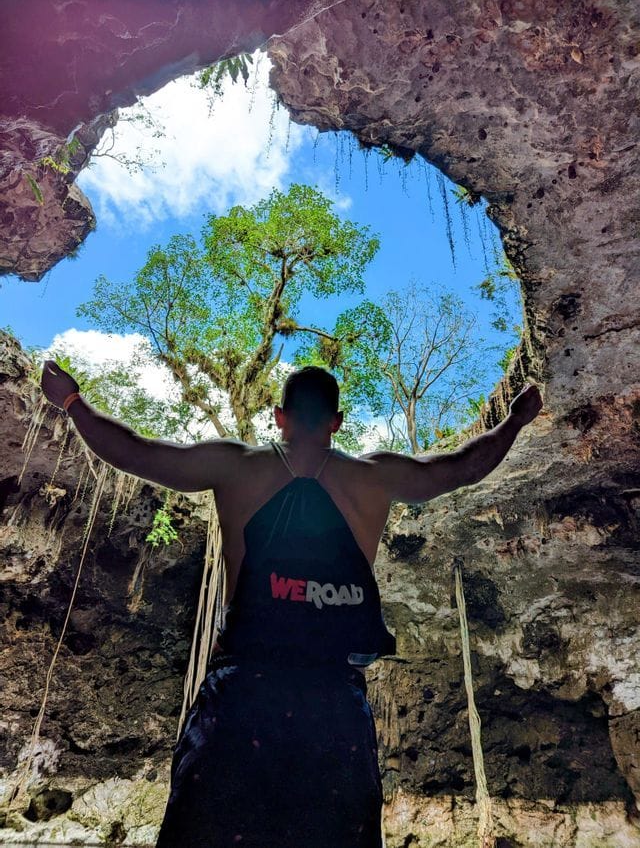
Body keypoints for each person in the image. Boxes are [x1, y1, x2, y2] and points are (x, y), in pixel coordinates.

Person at [40, 360, 543, 847]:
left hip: (242, 693)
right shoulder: (374, 477)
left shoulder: (235, 466)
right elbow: (458, 469)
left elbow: (136, 452)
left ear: (278, 417)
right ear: (337, 423)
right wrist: (514, 420)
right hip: (333, 701)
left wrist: (72, 401)